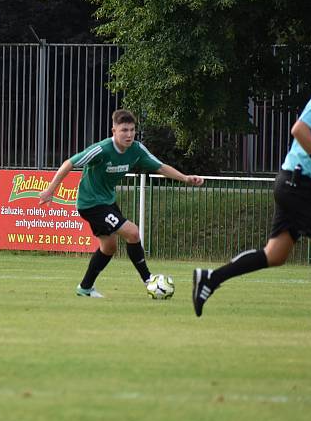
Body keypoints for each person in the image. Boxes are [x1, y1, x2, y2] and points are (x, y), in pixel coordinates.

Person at [192, 53, 311, 332]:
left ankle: (210, 279)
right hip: (300, 184)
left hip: (293, 182)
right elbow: (299, 130)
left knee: (275, 254)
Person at [38, 109, 204, 297]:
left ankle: (84, 288)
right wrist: (50, 190)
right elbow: (69, 163)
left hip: (107, 202)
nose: (129, 134)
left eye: (132, 130)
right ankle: (149, 280)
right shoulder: (101, 149)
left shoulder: (136, 149)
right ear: (114, 131)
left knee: (109, 247)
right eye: (124, 130)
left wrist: (185, 178)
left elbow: (159, 166)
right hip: (91, 204)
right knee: (132, 232)